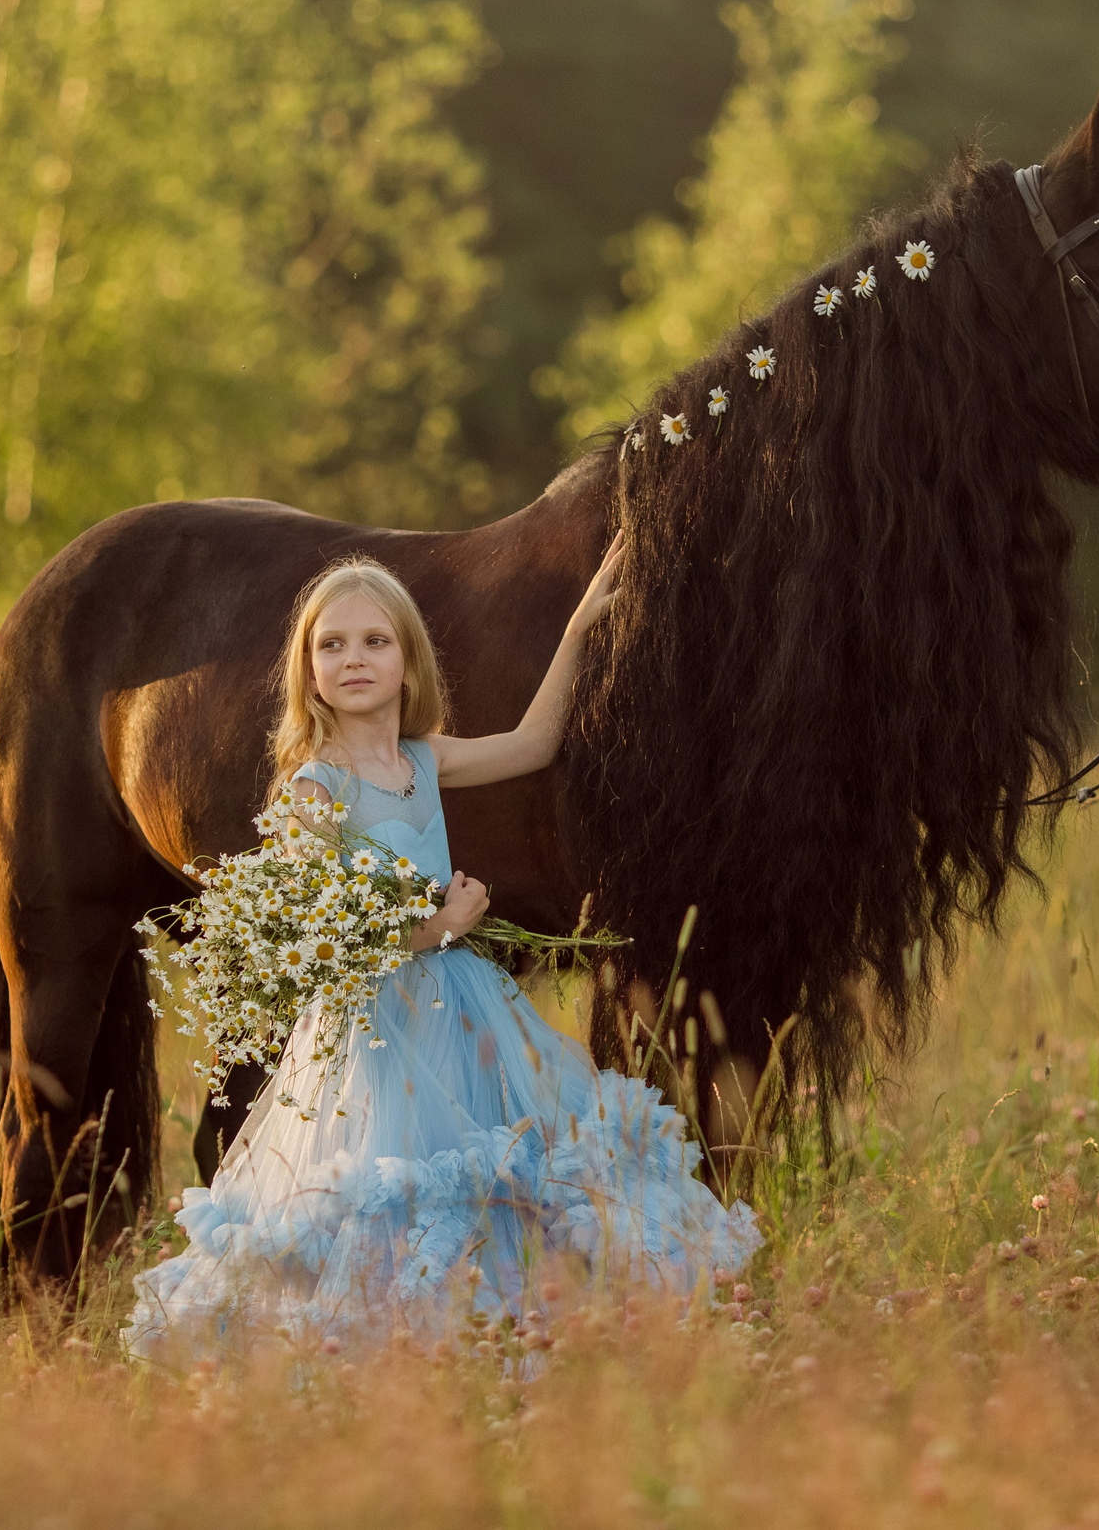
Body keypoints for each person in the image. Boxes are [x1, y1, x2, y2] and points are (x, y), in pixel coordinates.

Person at [125, 540, 758, 1361]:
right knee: (393, 1184)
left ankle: (497, 1330)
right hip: (375, 1031)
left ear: (409, 660)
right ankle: (381, 1350)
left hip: (458, 1007)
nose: (353, 658)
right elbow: (321, 941)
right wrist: (436, 929)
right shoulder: (316, 786)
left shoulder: (423, 759)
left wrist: (580, 622)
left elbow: (534, 743)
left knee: (491, 1174)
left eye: (374, 641)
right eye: (332, 644)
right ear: (307, 670)